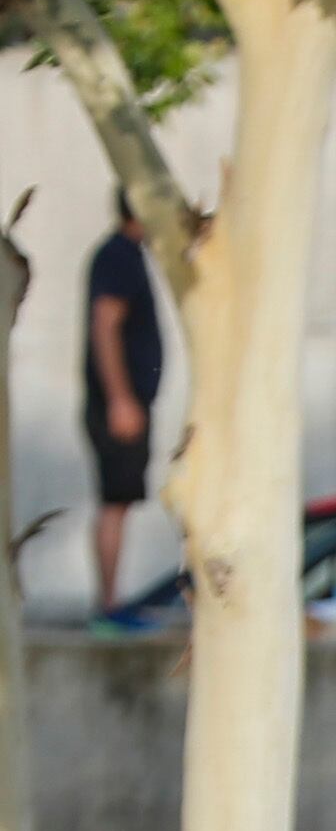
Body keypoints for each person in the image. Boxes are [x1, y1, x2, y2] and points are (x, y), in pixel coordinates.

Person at [84, 192, 163, 623]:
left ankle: (111, 601)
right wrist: (120, 399)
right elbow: (105, 325)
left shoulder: (126, 256)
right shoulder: (117, 256)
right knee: (115, 501)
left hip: (125, 403)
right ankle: (109, 605)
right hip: (119, 406)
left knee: (121, 501)